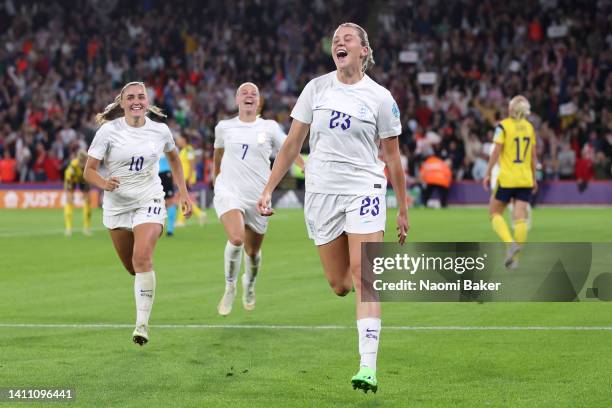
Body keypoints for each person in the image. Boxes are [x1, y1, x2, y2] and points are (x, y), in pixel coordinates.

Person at [256, 23, 409, 393]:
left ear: (363, 51)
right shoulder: (316, 89)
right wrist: (268, 189)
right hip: (322, 191)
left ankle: (367, 367)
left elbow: (392, 157)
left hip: (365, 187)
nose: (339, 43)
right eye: (336, 40)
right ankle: (363, 343)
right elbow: (293, 143)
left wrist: (403, 208)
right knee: (340, 284)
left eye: (348, 39)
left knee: (364, 273)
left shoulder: (380, 98)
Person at [84, 81, 192, 346]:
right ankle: (143, 292)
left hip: (150, 199)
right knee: (133, 268)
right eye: (130, 97)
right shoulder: (108, 131)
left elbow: (175, 159)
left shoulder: (160, 130)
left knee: (142, 257)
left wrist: (184, 193)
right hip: (117, 205)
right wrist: (103, 183)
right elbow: (89, 170)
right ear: (122, 103)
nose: (136, 101)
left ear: (147, 101)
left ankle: (141, 325)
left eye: (141, 97)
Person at [214, 82, 304, 316]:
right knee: (236, 238)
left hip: (258, 197)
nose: (249, 96)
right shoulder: (224, 127)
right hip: (229, 192)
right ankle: (230, 286)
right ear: (236, 100)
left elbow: (290, 148)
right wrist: (217, 181)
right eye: (244, 93)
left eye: (253, 93)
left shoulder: (270, 127)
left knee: (252, 252)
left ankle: (249, 285)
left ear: (259, 101)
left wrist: (306, 168)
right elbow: (218, 154)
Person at [483, 95, 537, 268]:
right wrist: (534, 178)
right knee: (520, 218)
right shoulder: (529, 128)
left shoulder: (503, 126)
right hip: (525, 178)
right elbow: (533, 157)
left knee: (494, 213)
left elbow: (496, 151)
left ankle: (510, 243)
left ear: (512, 109)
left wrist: (488, 172)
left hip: (507, 178)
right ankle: (515, 260)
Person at [175, 134, 207, 227]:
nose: (178, 141)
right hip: (183, 178)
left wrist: (189, 178)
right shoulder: (184, 150)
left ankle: (180, 221)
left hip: (186, 178)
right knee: (184, 198)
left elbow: (192, 164)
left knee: (182, 198)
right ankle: (200, 213)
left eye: (180, 138)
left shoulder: (189, 149)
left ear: (184, 139)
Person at [64, 150, 92, 236]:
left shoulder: (88, 165)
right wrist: (71, 194)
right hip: (71, 180)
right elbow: (69, 180)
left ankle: (86, 228)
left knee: (87, 201)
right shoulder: (73, 166)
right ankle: (68, 228)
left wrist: (85, 193)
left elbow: (88, 178)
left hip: (83, 180)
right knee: (69, 201)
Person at [158, 155, 178, 237]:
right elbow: (173, 161)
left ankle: (159, 229)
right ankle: (169, 229)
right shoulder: (167, 143)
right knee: (170, 202)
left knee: (158, 202)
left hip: (155, 174)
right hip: (166, 174)